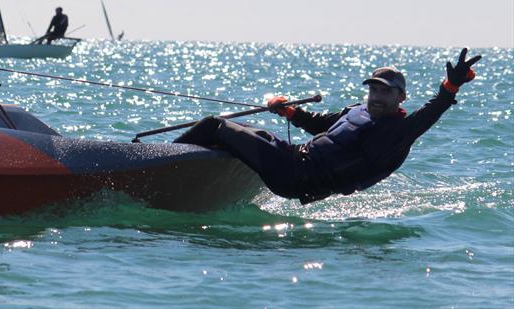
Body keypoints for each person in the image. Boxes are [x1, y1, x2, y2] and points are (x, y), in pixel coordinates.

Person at [174, 48, 482, 204]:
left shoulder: (398, 132)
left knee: (216, 125)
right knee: (246, 132)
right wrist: (289, 111)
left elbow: (433, 109)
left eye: (385, 91)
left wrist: (451, 85)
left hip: (299, 178)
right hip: (292, 157)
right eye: (373, 89)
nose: (377, 96)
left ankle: (155, 162)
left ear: (400, 97)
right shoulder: (357, 111)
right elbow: (318, 124)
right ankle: (185, 178)